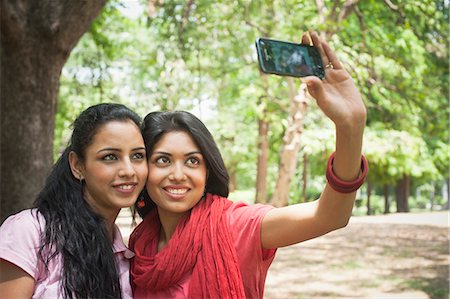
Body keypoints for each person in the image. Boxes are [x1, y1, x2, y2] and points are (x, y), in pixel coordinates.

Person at [129, 31, 368, 299]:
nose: (177, 174)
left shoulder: (236, 225)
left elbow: (329, 216)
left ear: (207, 172)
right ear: (144, 169)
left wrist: (350, 127)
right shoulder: (140, 244)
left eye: (192, 161)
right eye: (162, 160)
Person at [0, 103, 148, 298]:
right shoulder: (29, 231)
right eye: (110, 157)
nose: (129, 171)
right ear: (77, 165)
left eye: (138, 156)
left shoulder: (127, 256)